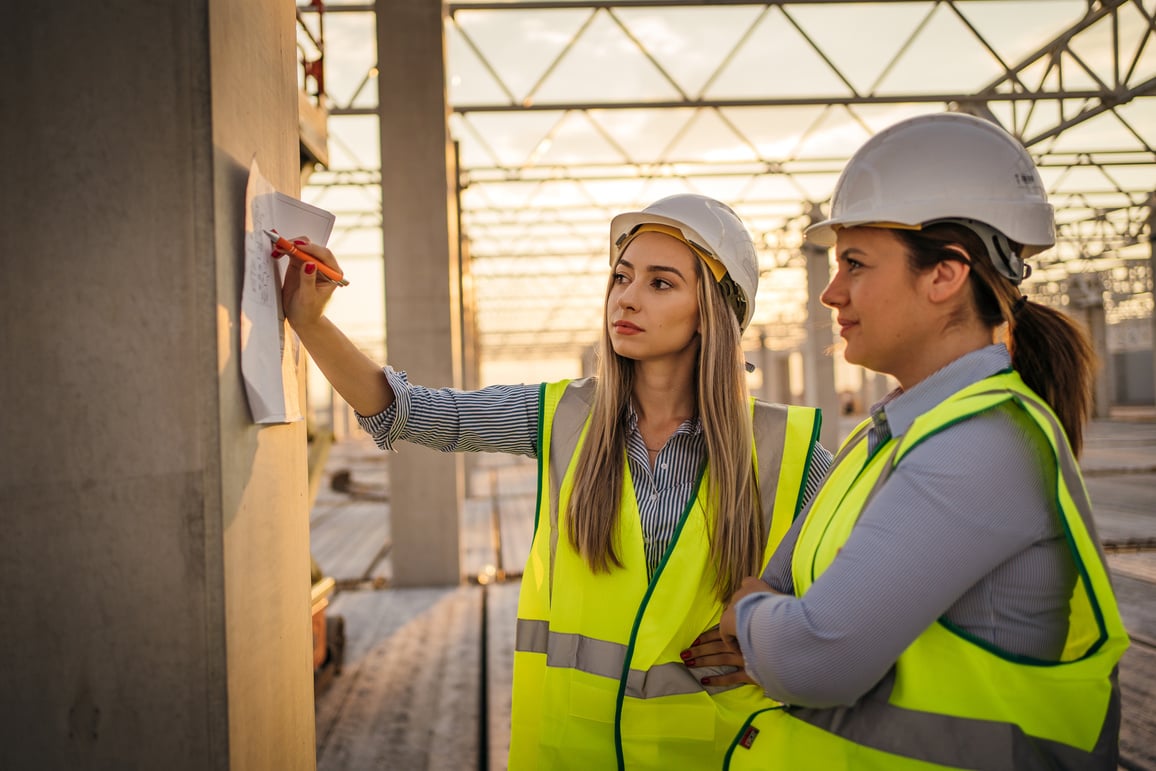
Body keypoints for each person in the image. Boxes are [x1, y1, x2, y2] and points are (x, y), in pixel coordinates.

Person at [278, 193, 834, 769]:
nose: (627, 297)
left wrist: (784, 644)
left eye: (660, 284)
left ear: (713, 312)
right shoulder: (562, 417)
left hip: (713, 756)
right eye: (622, 277)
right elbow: (410, 412)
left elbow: (879, 586)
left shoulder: (787, 449)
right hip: (572, 754)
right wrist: (309, 323)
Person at [700, 113, 1130, 769]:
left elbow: (815, 655)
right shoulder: (889, 436)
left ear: (946, 274)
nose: (829, 291)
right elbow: (787, 592)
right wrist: (773, 618)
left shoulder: (983, 447)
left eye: (855, 263)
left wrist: (751, 615)